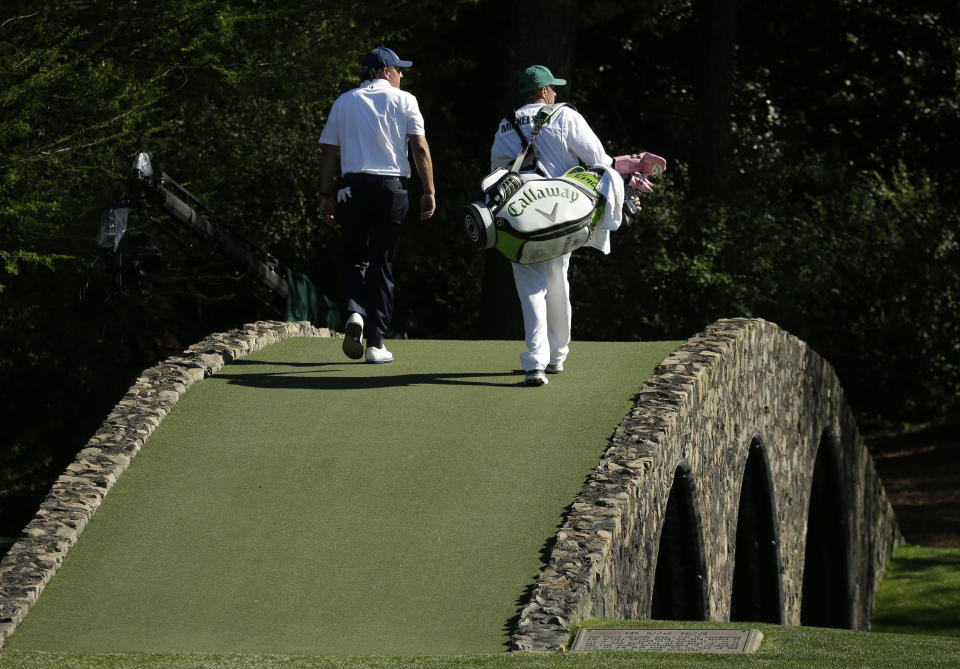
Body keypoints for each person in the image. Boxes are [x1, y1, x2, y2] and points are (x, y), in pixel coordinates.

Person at [489, 65, 613, 387]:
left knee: (530, 288)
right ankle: (557, 356)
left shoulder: (506, 123)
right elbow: (600, 158)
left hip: (519, 217)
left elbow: (496, 172)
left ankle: (535, 363)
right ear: (544, 92)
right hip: (561, 213)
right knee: (558, 280)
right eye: (553, 88)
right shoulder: (565, 116)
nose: (556, 93)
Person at [318, 46, 436, 364]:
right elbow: (420, 147)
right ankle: (375, 344)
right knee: (381, 264)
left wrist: (325, 195)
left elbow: (328, 151)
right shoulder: (405, 100)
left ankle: (355, 313)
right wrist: (429, 191)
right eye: (399, 70)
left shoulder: (344, 102)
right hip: (392, 189)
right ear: (385, 71)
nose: (401, 75)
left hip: (353, 189)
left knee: (353, 257)